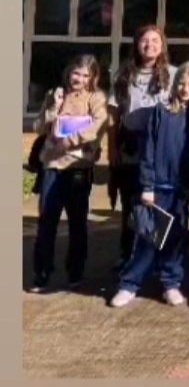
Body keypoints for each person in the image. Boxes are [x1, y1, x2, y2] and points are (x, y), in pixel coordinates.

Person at [110, 62, 189, 308]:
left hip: (184, 189)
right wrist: (147, 185)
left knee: (177, 241)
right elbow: (149, 150)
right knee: (148, 239)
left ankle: (171, 283)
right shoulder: (161, 112)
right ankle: (129, 284)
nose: (186, 89)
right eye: (182, 83)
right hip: (159, 186)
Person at [31, 55, 109, 293]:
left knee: (77, 225)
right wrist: (53, 107)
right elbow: (38, 127)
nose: (80, 79)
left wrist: (71, 140)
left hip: (78, 169)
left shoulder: (96, 98)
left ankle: (75, 273)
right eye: (77, 73)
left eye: (86, 75)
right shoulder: (55, 93)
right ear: (69, 72)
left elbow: (99, 125)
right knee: (47, 223)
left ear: (93, 77)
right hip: (52, 167)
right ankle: (42, 274)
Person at [107, 25, 177, 268]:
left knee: (157, 205)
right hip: (131, 149)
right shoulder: (124, 74)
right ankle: (127, 255)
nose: (150, 45)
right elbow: (113, 116)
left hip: (160, 151)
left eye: (155, 40)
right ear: (136, 44)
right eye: (145, 40)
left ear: (162, 45)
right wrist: (112, 149)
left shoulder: (173, 74)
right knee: (130, 206)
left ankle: (154, 260)